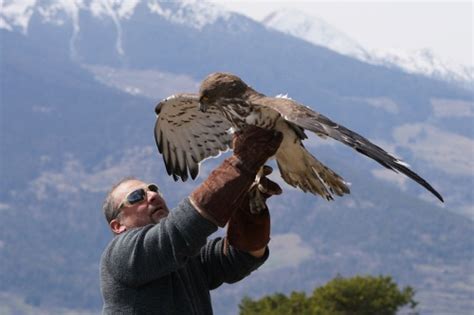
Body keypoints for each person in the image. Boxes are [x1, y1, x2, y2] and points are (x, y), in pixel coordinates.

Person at [100, 126, 283, 314]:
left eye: (152, 189)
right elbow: (181, 230)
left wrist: (250, 211)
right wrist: (242, 164)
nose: (152, 195)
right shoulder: (120, 256)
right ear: (118, 225)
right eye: (137, 196)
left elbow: (239, 257)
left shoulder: (183, 256)